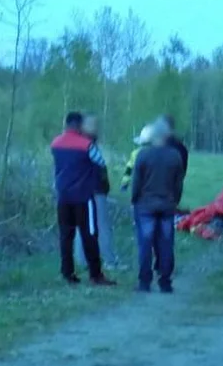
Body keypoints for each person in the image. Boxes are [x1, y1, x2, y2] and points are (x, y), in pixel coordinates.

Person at [50, 112, 116, 286]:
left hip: (63, 197)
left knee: (66, 236)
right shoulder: (86, 145)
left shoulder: (55, 143)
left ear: (66, 124)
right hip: (83, 197)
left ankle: (67, 273)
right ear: (79, 125)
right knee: (89, 235)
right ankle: (95, 274)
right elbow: (100, 162)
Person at [131, 121, 185, 293]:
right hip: (167, 206)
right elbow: (178, 184)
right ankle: (165, 282)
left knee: (145, 245)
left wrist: (135, 200)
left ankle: (144, 282)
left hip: (145, 205)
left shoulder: (143, 155)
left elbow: (136, 182)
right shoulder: (175, 156)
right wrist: (175, 201)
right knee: (166, 244)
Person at [73, 114, 119, 270]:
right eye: (93, 124)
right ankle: (109, 259)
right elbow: (98, 167)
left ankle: (82, 259)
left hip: (83, 190)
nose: (96, 127)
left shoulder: (80, 143)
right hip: (94, 190)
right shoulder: (87, 144)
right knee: (102, 225)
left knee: (83, 225)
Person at [121, 124, 154, 191]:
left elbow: (128, 169)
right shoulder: (159, 154)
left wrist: (125, 183)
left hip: (139, 186)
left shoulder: (135, 153)